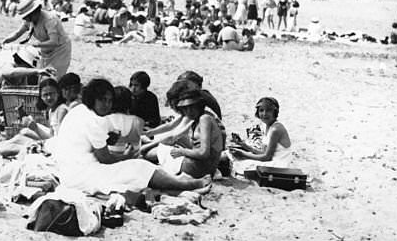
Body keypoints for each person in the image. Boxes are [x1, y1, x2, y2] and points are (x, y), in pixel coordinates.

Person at [51, 78, 211, 195]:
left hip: (69, 172)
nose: (107, 105)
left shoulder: (79, 110)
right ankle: (188, 185)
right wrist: (125, 158)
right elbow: (105, 158)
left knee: (138, 168)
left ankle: (181, 183)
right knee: (139, 167)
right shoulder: (95, 120)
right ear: (92, 99)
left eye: (109, 100)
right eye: (102, 100)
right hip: (82, 175)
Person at [2, 0, 72, 77]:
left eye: (27, 17)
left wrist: (36, 44)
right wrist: (6, 40)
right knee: (42, 73)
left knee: (54, 76)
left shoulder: (50, 20)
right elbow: (18, 33)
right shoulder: (29, 20)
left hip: (60, 50)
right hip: (45, 49)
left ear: (34, 12)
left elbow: (54, 42)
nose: (25, 19)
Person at [168, 91, 226, 178]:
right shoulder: (200, 119)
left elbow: (203, 153)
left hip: (201, 168)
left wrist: (182, 151)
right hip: (204, 166)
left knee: (160, 153)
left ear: (199, 106)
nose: (189, 111)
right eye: (186, 109)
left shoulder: (204, 119)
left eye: (192, 108)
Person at [229, 97, 292, 172]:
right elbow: (264, 153)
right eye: (261, 110)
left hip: (278, 165)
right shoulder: (267, 126)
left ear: (275, 112)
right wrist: (244, 145)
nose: (264, 114)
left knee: (237, 164)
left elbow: (267, 157)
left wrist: (243, 154)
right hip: (272, 161)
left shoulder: (276, 129)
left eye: (268, 110)